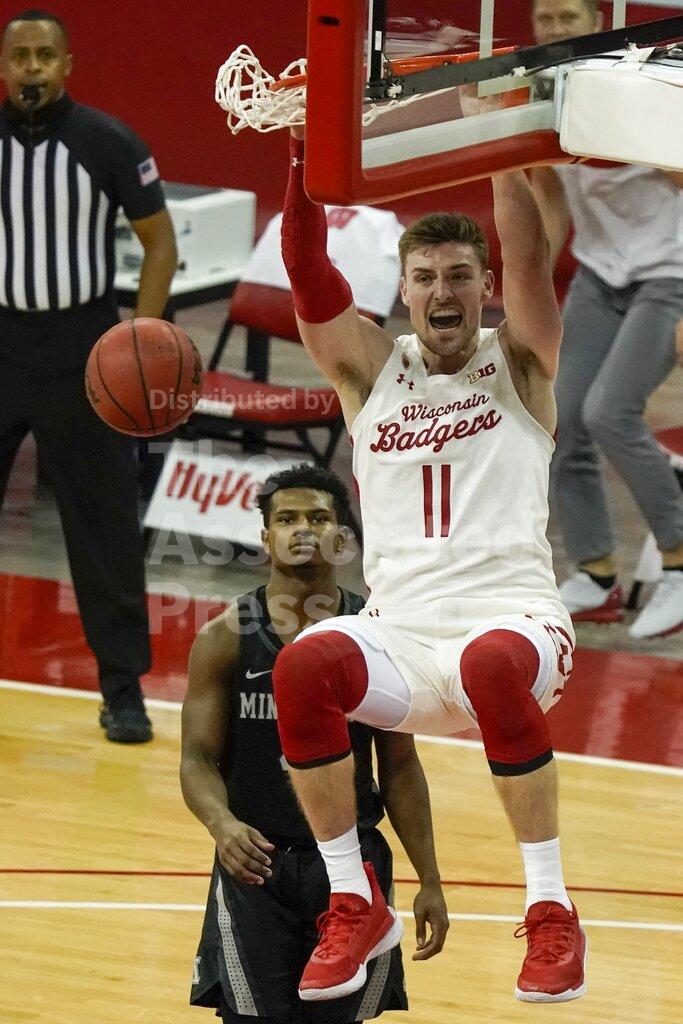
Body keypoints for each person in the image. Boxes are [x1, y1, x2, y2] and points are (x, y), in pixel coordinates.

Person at [270, 125, 585, 1005]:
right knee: (301, 668)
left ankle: (551, 911)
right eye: (425, 277)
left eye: (459, 276)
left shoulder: (518, 359)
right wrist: (301, 153)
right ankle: (353, 901)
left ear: (483, 287)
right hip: (401, 638)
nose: (442, 291)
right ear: (402, 289)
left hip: (514, 623)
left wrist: (500, 140)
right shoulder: (369, 370)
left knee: (489, 665)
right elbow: (307, 269)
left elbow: (530, 257)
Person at [180, 463, 448, 1023]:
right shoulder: (224, 637)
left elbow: (400, 766)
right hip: (257, 863)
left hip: (352, 865)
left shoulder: (376, 636)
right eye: (287, 519)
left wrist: (429, 877)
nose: (303, 529)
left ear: (342, 538)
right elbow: (197, 759)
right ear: (265, 537)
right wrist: (221, 825)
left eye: (319, 518)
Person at [0, 9, 177, 741]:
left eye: (45, 55)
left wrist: (137, 341)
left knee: (103, 524)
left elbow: (160, 244)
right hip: (1, 341)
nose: (32, 68)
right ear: (4, 66)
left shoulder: (106, 142)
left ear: (67, 64)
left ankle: (122, 690)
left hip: (81, 348)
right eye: (20, 56)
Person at [530, 0, 683, 638]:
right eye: (545, 18)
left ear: (598, 22)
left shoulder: (648, 86)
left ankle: (679, 560)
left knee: (609, 414)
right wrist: (527, 289)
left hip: (670, 274)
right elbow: (552, 205)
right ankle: (595, 578)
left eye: (568, 18)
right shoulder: (546, 91)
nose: (555, 29)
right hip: (600, 274)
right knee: (560, 421)